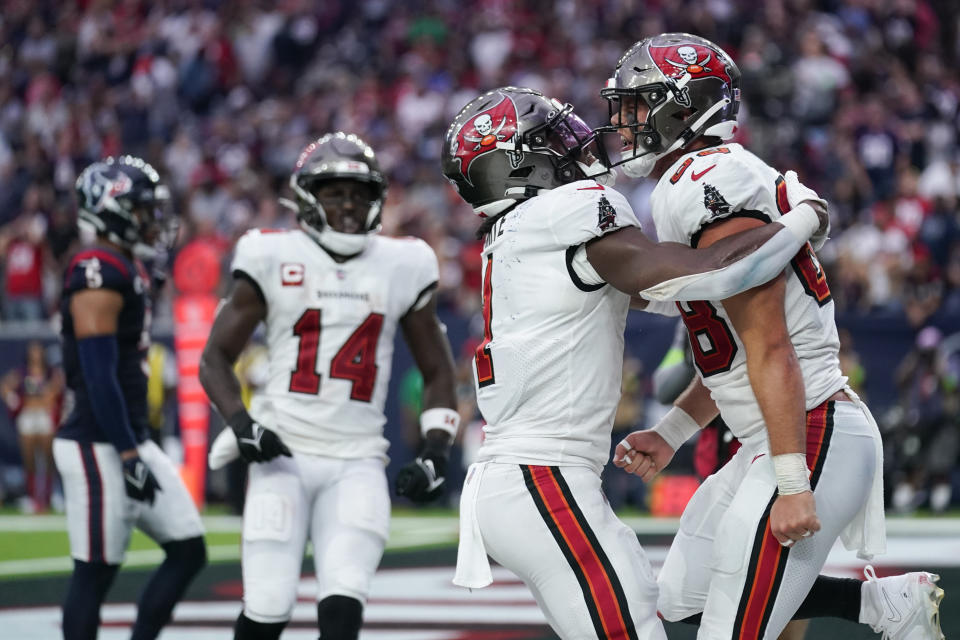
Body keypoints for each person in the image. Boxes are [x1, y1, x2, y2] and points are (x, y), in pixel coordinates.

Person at [442, 86, 829, 640]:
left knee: (659, 605)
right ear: (517, 165)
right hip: (540, 478)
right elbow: (712, 275)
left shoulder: (524, 233)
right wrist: (801, 220)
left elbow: (681, 297)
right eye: (551, 138)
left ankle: (874, 604)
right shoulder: (565, 212)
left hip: (529, 478)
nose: (575, 141)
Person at [603, 33, 944, 640]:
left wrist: (793, 482)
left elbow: (769, 345)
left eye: (638, 105)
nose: (625, 122)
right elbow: (734, 355)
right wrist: (671, 432)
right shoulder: (702, 176)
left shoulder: (708, 177)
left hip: (810, 429)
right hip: (781, 429)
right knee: (683, 597)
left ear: (685, 108)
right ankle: (878, 606)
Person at [199, 132, 459, 640]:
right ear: (305, 198)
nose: (348, 204)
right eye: (335, 192)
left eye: (359, 194)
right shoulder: (269, 254)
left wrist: (436, 450)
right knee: (267, 609)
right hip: (282, 455)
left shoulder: (402, 263)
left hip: (357, 461)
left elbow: (438, 371)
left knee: (342, 609)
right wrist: (242, 423)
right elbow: (214, 359)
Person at [52, 156, 207, 640]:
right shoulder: (95, 267)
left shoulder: (123, 265)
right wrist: (125, 451)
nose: (151, 221)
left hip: (128, 436)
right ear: (111, 210)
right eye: (141, 210)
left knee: (188, 549)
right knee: (96, 571)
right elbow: (98, 375)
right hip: (98, 441)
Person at [1, 340, 62, 512]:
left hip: (44, 416)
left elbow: (57, 388)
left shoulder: (50, 373)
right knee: (30, 459)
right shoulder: (22, 372)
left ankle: (49, 496)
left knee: (48, 457)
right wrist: (15, 401)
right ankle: (33, 497)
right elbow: (5, 386)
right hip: (28, 416)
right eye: (32, 351)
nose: (36, 354)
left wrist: (49, 396)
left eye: (38, 351)